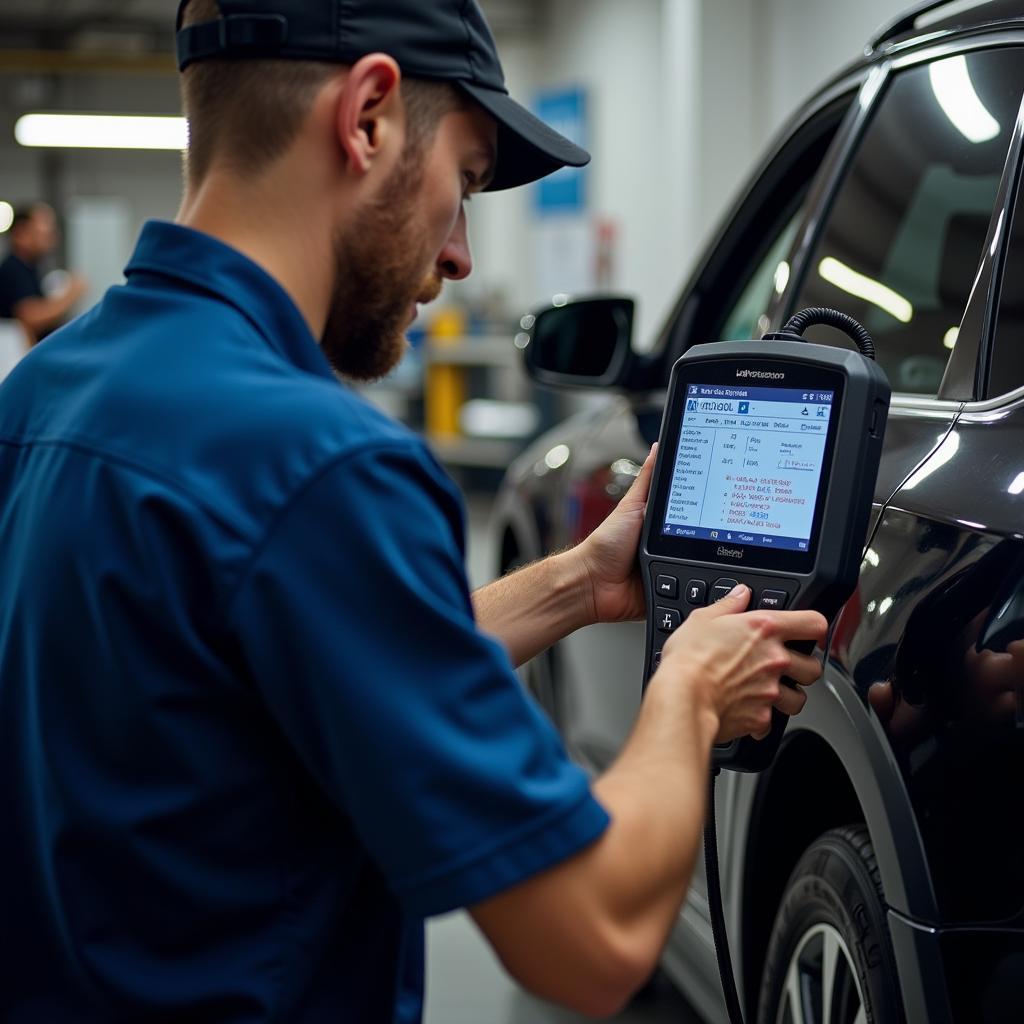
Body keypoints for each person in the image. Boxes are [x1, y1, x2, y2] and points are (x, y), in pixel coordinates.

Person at [0, 2, 827, 1021]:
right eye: (466, 182)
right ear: (368, 118)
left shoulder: (44, 395)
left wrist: (575, 583)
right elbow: (595, 937)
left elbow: (262, 670)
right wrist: (691, 689)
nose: (462, 254)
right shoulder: (321, 464)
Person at [0, 202, 87, 345]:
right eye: (45, 228)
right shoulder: (13, 269)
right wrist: (71, 294)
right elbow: (30, 317)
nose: (51, 235)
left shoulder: (31, 268)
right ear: (21, 233)